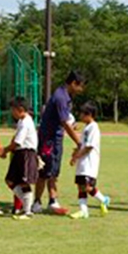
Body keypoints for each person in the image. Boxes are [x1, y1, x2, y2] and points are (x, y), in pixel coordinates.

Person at [34, 70, 86, 215]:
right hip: (48, 139)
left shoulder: (67, 96)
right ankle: (36, 202)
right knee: (44, 170)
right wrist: (78, 142)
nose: (81, 90)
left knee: (54, 171)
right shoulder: (60, 97)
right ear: (73, 83)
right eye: (80, 86)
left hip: (56, 138)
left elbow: (65, 120)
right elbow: (64, 123)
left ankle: (52, 201)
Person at [68, 101, 110, 219]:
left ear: (89, 114)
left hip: (89, 163)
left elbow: (89, 146)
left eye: (82, 113)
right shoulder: (86, 128)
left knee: (87, 187)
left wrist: (76, 156)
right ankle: (84, 211)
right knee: (80, 186)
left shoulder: (94, 127)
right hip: (82, 163)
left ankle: (103, 199)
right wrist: (75, 152)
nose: (80, 116)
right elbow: (82, 144)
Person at [3, 97, 39, 220]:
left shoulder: (26, 122)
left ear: (20, 109)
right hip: (19, 154)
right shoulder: (21, 121)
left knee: (24, 182)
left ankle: (27, 211)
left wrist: (5, 150)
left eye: (13, 110)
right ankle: (25, 205)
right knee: (10, 181)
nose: (12, 113)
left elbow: (18, 142)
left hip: (26, 154)